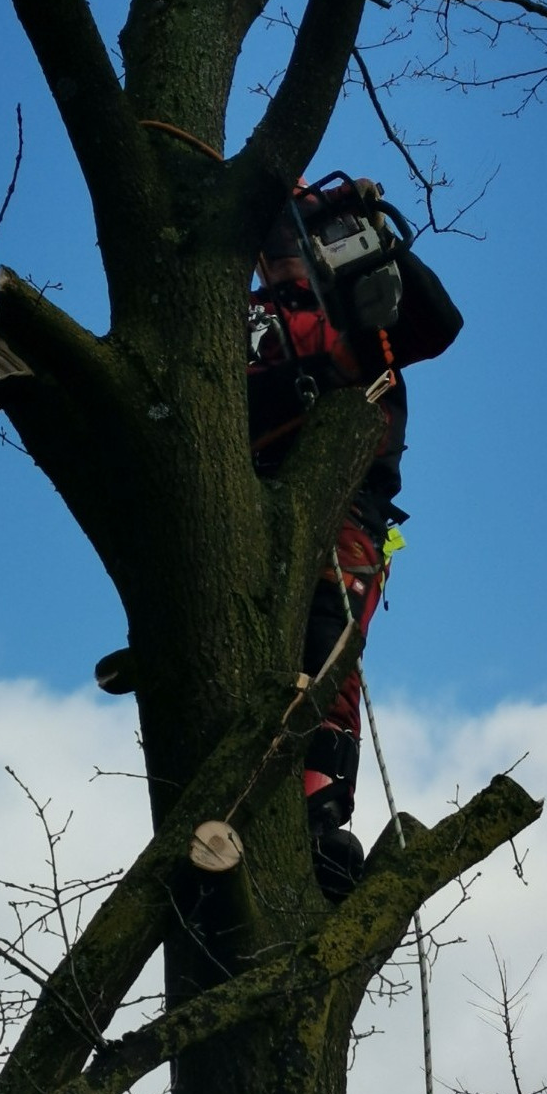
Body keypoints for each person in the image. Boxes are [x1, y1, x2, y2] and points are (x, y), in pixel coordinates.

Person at [104, 177, 463, 900]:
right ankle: (222, 784)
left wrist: (372, 236)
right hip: (242, 497)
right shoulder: (227, 319)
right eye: (274, 240)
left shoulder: (358, 295)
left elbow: (437, 323)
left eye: (294, 235)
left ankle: (318, 813)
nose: (284, 254)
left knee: (326, 643)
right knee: (230, 635)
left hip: (347, 503)